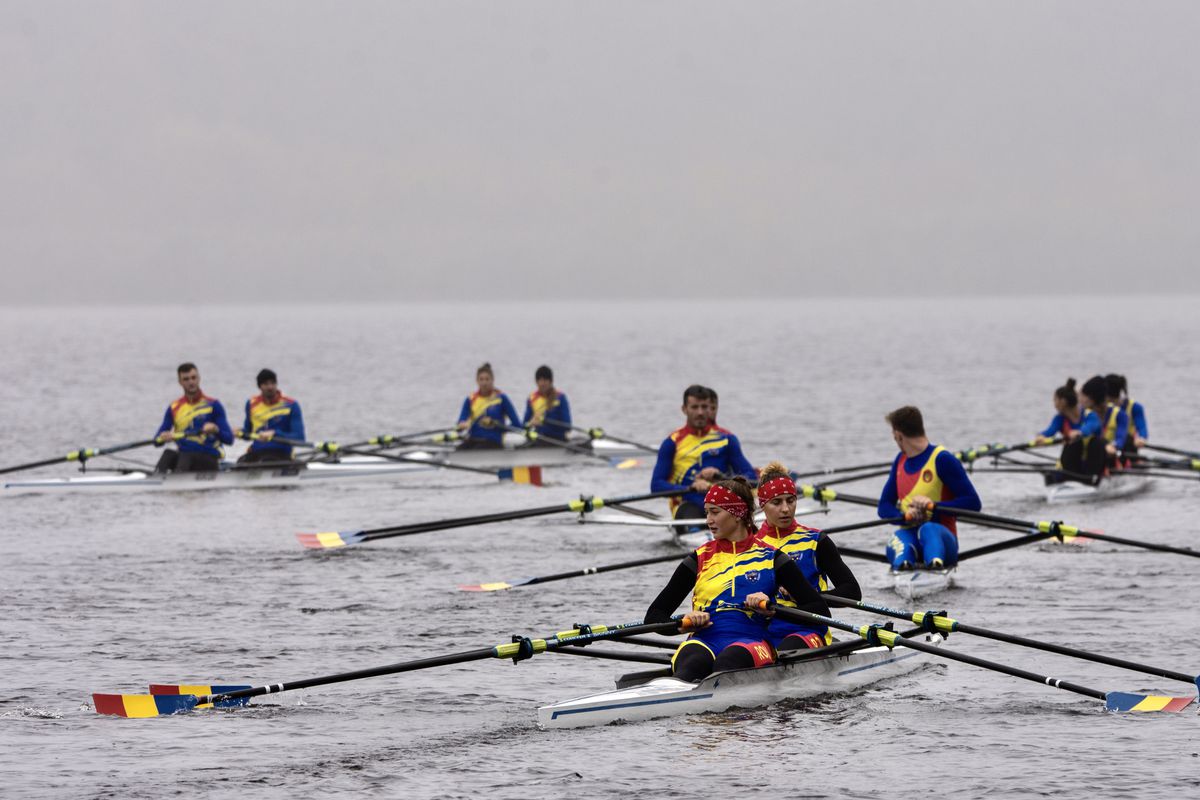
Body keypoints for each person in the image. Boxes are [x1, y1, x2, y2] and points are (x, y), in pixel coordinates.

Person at [644, 479, 831, 682]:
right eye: (707, 512)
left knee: (728, 662)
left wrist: (772, 609)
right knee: (692, 663)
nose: (708, 520)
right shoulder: (698, 558)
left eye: (715, 512)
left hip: (752, 642)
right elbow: (654, 616)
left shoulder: (773, 558)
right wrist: (682, 625)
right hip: (704, 639)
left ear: (737, 514)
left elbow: (819, 610)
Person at [754, 462, 862, 651]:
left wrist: (809, 597)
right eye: (777, 502)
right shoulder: (752, 545)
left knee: (783, 651)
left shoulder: (816, 541)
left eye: (791, 500)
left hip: (807, 629)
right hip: (764, 629)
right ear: (762, 505)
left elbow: (852, 592)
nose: (786, 509)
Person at [877, 406, 981, 571]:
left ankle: (934, 564)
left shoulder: (943, 459)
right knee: (899, 537)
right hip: (910, 536)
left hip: (943, 540)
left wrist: (932, 506)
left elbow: (973, 503)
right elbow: (884, 506)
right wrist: (905, 517)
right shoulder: (900, 461)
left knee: (928, 529)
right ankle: (904, 565)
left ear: (898, 435)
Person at [650, 385, 756, 521]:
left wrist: (720, 477)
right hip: (688, 505)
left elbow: (751, 478)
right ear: (684, 409)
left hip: (723, 505)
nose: (700, 412)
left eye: (704, 407)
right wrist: (691, 487)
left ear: (710, 409)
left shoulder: (727, 439)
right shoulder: (671, 443)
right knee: (689, 513)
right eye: (694, 407)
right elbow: (656, 485)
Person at [153, 362, 234, 473]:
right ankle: (157, 481)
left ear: (199, 379)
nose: (191, 382)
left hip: (208, 457)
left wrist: (216, 430)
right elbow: (156, 441)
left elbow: (229, 439)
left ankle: (177, 482)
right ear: (180, 382)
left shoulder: (213, 405)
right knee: (168, 454)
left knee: (185, 457)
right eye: (186, 379)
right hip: (184, 458)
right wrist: (162, 437)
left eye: (193, 378)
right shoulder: (174, 408)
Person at [1035, 377, 1105, 482]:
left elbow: (1092, 426)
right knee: (1070, 446)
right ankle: (1070, 479)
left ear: (1062, 402)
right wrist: (1041, 437)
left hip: (1093, 461)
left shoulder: (1090, 415)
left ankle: (1089, 479)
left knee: (1091, 443)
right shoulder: (1060, 418)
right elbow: (1050, 431)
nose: (1054, 404)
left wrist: (1079, 432)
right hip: (1074, 462)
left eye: (1055, 400)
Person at [238, 369, 306, 464]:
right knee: (240, 462)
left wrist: (274, 433)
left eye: (273, 383)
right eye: (266, 384)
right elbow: (247, 433)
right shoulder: (251, 404)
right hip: (257, 451)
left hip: (281, 452)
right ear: (260, 386)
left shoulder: (291, 405)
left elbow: (300, 438)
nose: (270, 387)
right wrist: (237, 432)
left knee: (267, 460)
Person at [455, 362, 522, 449]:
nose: (484, 383)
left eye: (487, 379)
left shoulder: (501, 398)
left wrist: (495, 425)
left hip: (494, 441)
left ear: (492, 380)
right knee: (459, 450)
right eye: (481, 379)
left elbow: (517, 425)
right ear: (477, 381)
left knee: (477, 450)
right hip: (473, 439)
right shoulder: (470, 399)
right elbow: (462, 419)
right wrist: (462, 424)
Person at [1080, 375, 1128, 469]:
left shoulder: (1120, 415)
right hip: (1089, 456)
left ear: (1092, 398)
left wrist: (1113, 446)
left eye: (1084, 396)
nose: (1081, 399)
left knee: (1128, 440)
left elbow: (1121, 437)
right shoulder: (1083, 413)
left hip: (1111, 455)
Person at [521, 365, 572, 442]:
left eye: (545, 380)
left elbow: (568, 426)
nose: (542, 384)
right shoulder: (531, 399)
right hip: (539, 440)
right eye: (539, 380)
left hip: (558, 440)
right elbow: (524, 426)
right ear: (536, 382)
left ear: (551, 381)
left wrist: (545, 421)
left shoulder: (560, 398)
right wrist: (530, 423)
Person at [1105, 374, 1148, 457]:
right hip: (1106, 448)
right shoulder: (1100, 408)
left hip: (1127, 449)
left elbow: (1142, 427)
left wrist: (1142, 438)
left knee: (1127, 439)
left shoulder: (1135, 407)